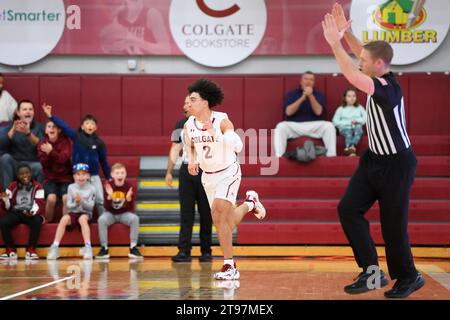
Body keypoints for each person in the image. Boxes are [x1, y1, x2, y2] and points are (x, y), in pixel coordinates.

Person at [322, 3, 424, 298]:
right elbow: (363, 53)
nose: (359, 60)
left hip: (397, 164)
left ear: (379, 64)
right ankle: (372, 274)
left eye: (364, 59)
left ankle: (409, 277)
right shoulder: (375, 69)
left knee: (393, 227)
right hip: (373, 160)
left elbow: (353, 77)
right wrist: (346, 33)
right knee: (348, 209)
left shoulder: (387, 89)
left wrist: (333, 44)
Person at [184, 79, 267, 280]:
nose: (188, 104)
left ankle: (230, 266)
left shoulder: (221, 120)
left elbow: (237, 145)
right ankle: (250, 204)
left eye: (193, 100)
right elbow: (190, 146)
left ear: (204, 102)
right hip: (207, 177)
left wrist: (217, 136)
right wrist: (192, 161)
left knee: (218, 213)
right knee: (225, 222)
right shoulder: (189, 125)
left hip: (227, 172)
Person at [165, 96, 213, 263]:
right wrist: (169, 172)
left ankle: (206, 251)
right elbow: (175, 148)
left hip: (206, 170)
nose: (185, 105)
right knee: (186, 213)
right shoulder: (180, 124)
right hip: (186, 170)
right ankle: (184, 251)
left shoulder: (211, 122)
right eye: (184, 103)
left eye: (189, 102)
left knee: (206, 213)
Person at [42, 104, 110, 217]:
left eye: (92, 124)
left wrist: (108, 177)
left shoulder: (99, 143)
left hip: (93, 175)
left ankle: (102, 217)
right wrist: (51, 116)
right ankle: (79, 217)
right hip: (79, 175)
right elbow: (64, 126)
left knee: (99, 199)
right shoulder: (76, 136)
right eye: (87, 123)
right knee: (80, 197)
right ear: (82, 126)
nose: (90, 125)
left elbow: (104, 161)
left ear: (96, 127)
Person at [274, 71, 336, 158]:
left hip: (314, 125)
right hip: (295, 126)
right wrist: (302, 98)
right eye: (306, 79)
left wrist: (310, 96)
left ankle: (331, 157)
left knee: (329, 126)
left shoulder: (318, 95)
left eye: (311, 80)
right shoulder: (292, 94)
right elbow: (288, 112)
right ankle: (279, 157)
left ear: (314, 83)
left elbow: (318, 112)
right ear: (301, 81)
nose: (308, 82)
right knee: (280, 126)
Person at [47, 163, 96, 260]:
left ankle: (88, 247)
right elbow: (69, 206)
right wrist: (76, 203)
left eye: (83, 174)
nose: (81, 176)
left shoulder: (92, 188)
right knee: (64, 219)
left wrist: (81, 201)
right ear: (74, 176)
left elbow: (91, 207)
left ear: (88, 176)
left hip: (86, 213)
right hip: (74, 212)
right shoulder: (71, 187)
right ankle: (55, 246)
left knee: (82, 219)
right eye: (78, 174)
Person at [96, 162, 143, 260]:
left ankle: (133, 247)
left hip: (124, 213)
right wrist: (109, 196)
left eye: (122, 173)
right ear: (112, 175)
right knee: (101, 220)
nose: (120, 175)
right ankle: (104, 248)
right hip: (111, 213)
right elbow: (106, 206)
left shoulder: (128, 186)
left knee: (135, 219)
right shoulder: (109, 186)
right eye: (117, 173)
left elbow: (130, 206)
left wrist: (129, 198)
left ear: (125, 174)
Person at [0, 164, 45, 260]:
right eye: (21, 174)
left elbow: (39, 203)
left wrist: (32, 212)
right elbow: (8, 207)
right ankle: (11, 250)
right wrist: (5, 200)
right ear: (17, 176)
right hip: (16, 212)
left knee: (37, 221)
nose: (25, 176)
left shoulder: (38, 186)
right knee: (4, 222)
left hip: (30, 212)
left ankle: (31, 250)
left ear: (31, 173)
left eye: (27, 173)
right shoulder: (12, 186)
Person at [0, 100, 45, 188]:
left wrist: (28, 133)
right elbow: (1, 146)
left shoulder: (39, 127)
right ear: (18, 112)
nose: (28, 111)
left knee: (41, 167)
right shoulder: (11, 126)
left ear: (33, 112)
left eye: (30, 109)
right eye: (24, 109)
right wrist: (12, 131)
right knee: (5, 158)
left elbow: (40, 145)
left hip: (32, 164)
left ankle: (39, 199)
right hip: (15, 163)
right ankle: (8, 196)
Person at [100, 0, 171, 54]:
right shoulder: (117, 16)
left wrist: (136, 41)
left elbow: (166, 51)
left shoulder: (152, 14)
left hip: (148, 66)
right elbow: (105, 48)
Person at [38, 120, 73, 222]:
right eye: (49, 126)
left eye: (54, 127)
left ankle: (64, 223)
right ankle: (48, 223)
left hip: (65, 178)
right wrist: (50, 154)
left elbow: (63, 159)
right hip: (50, 178)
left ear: (59, 130)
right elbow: (44, 163)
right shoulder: (42, 143)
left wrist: (51, 152)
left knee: (66, 198)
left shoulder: (66, 142)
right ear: (45, 130)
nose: (51, 129)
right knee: (51, 198)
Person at [332, 88, 367, 156]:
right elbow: (334, 121)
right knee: (348, 133)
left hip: (357, 127)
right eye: (349, 96)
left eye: (354, 96)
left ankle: (351, 147)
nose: (352, 98)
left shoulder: (359, 108)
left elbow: (366, 118)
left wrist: (357, 121)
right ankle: (351, 148)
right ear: (345, 98)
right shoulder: (341, 109)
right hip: (345, 128)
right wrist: (349, 122)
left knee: (358, 131)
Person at [0, 73, 18, 155]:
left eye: (1, 83)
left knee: (3, 134)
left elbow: (16, 110)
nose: (0, 85)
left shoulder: (5, 95)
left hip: (4, 127)